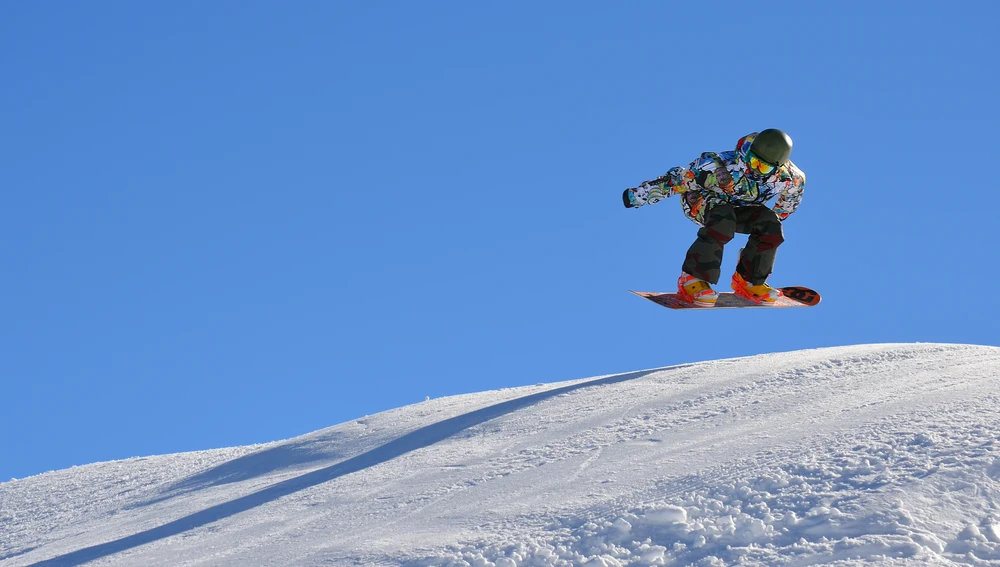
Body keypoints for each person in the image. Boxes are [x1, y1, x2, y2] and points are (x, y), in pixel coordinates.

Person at [622, 129, 806, 307]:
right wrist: (638, 196)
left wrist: (762, 239)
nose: (754, 168)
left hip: (743, 207)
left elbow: (787, 204)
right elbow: (676, 181)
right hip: (702, 202)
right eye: (752, 160)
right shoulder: (719, 167)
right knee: (723, 220)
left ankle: (749, 279)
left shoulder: (790, 178)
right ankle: (692, 279)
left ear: (777, 167)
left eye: (763, 167)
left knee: (770, 224)